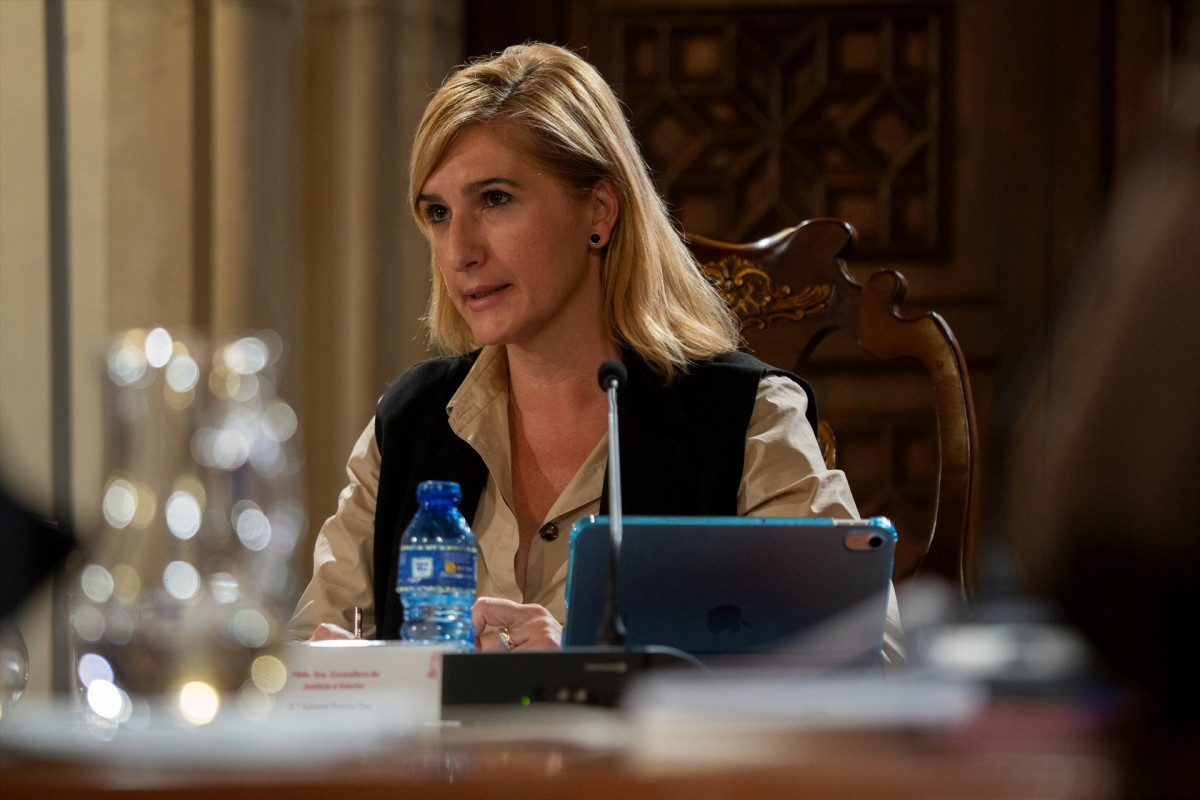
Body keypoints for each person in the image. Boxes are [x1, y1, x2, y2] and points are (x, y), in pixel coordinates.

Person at [285, 42, 902, 663]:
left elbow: (863, 662)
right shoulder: (407, 423)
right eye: (439, 213)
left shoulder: (748, 419)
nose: (458, 252)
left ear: (599, 211)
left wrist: (596, 667)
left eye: (495, 199)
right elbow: (303, 656)